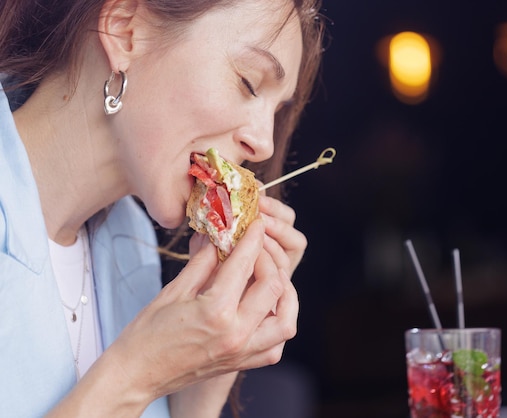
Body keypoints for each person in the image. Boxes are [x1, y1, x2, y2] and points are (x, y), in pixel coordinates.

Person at [0, 0, 324, 417]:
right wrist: (137, 374)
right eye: (248, 82)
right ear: (124, 30)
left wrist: (206, 371)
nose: (265, 143)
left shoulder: (131, 246)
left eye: (276, 111)